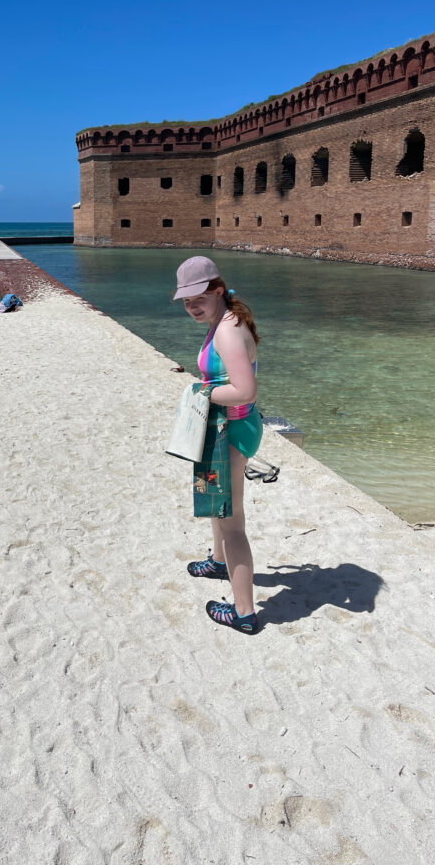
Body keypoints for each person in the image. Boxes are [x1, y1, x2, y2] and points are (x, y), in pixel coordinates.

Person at [173, 256, 263, 635]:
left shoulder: (226, 330)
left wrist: (201, 393)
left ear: (217, 290)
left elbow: (244, 389)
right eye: (186, 301)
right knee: (215, 499)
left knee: (233, 524)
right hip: (231, 423)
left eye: (199, 297)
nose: (192, 306)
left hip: (232, 428)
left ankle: (243, 612)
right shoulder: (228, 319)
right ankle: (217, 561)